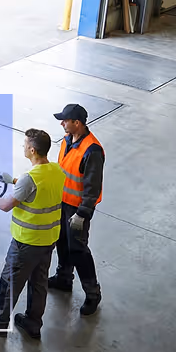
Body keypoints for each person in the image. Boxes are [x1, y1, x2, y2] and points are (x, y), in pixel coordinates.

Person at [0, 128, 65, 339]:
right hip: (48, 240)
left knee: (9, 281)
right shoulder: (57, 171)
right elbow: (39, 191)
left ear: (32, 150)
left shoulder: (29, 178)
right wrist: (12, 181)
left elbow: (5, 205)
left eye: (24, 145)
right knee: (39, 283)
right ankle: (33, 323)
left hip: (27, 242)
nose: (22, 147)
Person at [48, 103, 104, 316]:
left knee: (78, 250)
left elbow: (92, 187)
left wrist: (82, 213)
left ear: (77, 123)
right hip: (61, 202)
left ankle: (92, 293)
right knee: (61, 241)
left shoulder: (92, 150)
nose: (62, 123)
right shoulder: (66, 141)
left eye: (65, 120)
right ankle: (64, 278)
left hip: (77, 209)